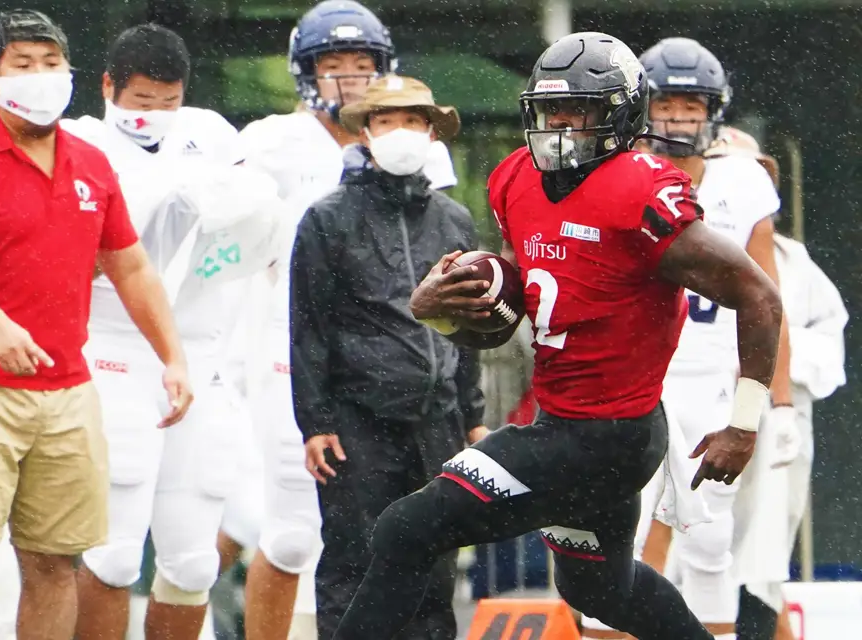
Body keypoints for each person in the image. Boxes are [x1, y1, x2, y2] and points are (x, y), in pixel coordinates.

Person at [328, 31, 786, 640]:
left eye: (580, 111)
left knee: (405, 528)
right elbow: (509, 321)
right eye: (550, 110)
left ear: (619, 116)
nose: (561, 126)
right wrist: (441, 311)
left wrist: (745, 422)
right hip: (568, 421)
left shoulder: (641, 192)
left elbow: (759, 295)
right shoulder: (517, 176)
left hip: (607, 436)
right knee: (600, 589)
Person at [0, 10, 193, 640]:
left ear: (71, 73)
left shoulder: (90, 162)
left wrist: (173, 355)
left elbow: (133, 266)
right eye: (24, 64)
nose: (40, 76)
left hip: (67, 387)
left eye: (51, 63)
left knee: (56, 562)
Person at [232, 3, 460, 638]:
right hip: (299, 359)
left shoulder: (421, 160)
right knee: (293, 536)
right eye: (334, 66)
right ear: (307, 73)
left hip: (403, 373)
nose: (351, 79)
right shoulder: (271, 143)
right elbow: (231, 245)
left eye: (364, 65)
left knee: (412, 537)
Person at [55, 24, 278, 640]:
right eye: (141, 101)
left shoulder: (208, 133)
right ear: (108, 86)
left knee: (192, 558)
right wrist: (170, 194)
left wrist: (239, 202)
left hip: (201, 353)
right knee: (114, 551)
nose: (155, 115)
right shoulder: (79, 140)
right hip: (113, 348)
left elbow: (257, 224)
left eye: (167, 101)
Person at [581, 38, 796, 640]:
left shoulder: (743, 184)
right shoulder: (614, 176)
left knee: (709, 537)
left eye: (692, 106)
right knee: (610, 540)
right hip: (630, 376)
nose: (678, 119)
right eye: (667, 104)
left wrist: (774, 406)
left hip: (707, 380)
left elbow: (767, 302)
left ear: (713, 112)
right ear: (641, 107)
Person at [290, 74, 484, 640]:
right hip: (357, 421)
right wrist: (316, 422)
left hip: (438, 420)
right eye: (386, 121)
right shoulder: (327, 219)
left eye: (412, 121)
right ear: (367, 133)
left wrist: (473, 416)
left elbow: (469, 324)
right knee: (355, 560)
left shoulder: (455, 220)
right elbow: (309, 326)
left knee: (435, 562)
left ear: (431, 131)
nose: (400, 132)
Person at [705, 126, 848, 640]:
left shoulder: (793, 262)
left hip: (769, 431)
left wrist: (772, 378)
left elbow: (827, 342)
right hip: (700, 423)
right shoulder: (687, 252)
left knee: (760, 563)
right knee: (693, 548)